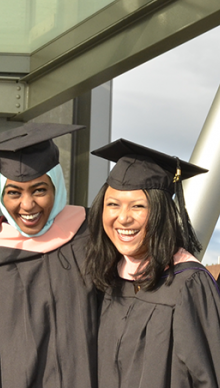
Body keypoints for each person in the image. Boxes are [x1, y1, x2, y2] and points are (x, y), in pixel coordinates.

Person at [0, 122, 98, 388]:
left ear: (56, 186)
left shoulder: (91, 236)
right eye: (13, 193)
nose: (27, 205)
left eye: (40, 190)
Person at [86, 139, 220, 388]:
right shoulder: (108, 278)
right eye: (113, 204)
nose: (123, 218)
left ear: (161, 213)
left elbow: (210, 375)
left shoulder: (188, 282)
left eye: (138, 206)